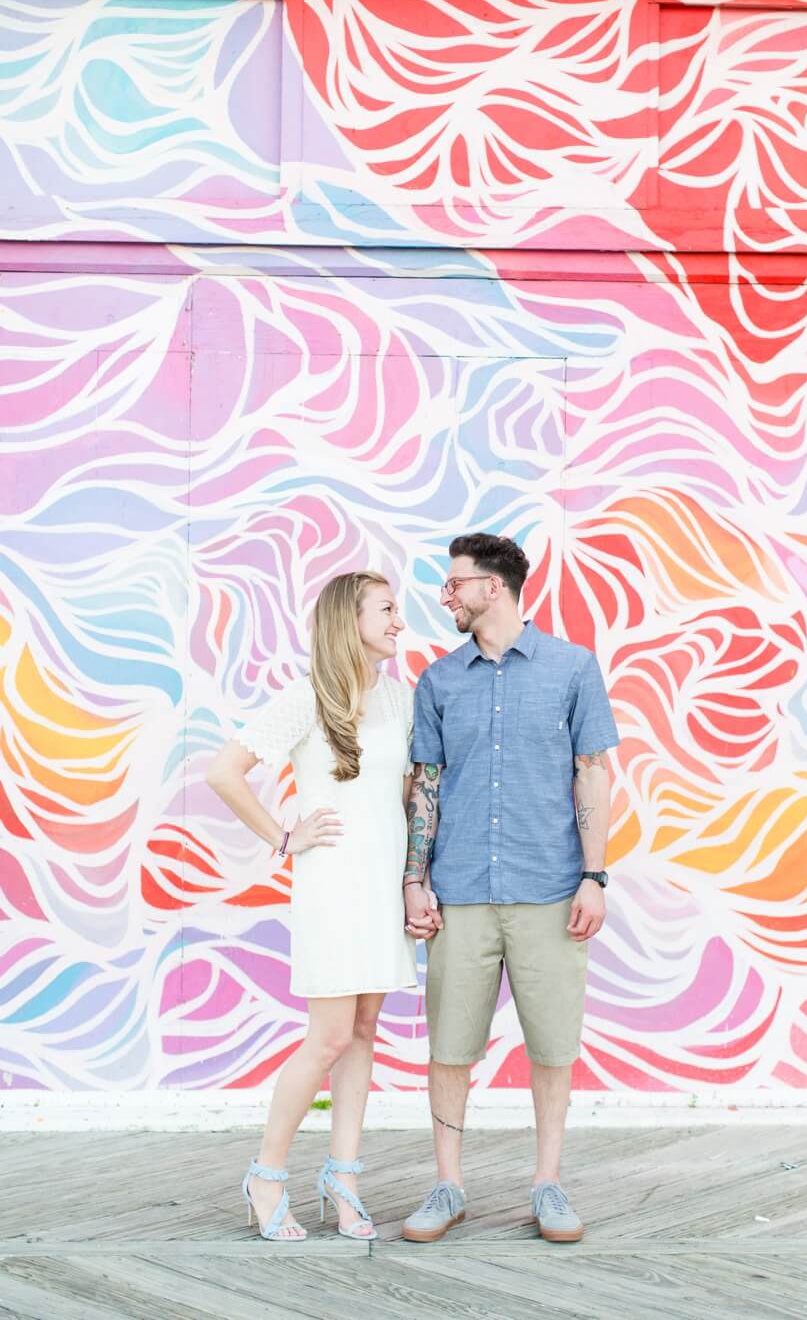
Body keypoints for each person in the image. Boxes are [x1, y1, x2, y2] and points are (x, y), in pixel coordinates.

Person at [398, 533, 618, 1246]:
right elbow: (424, 788)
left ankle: (547, 1183)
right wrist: (414, 881)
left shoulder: (572, 668)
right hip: (459, 894)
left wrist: (594, 875)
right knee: (449, 1047)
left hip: (550, 892)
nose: (446, 595)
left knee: (553, 1047)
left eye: (455, 583)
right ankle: (447, 1184)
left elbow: (592, 772)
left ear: (494, 587)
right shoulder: (439, 681)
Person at [205, 570, 417, 1242]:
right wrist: (284, 838)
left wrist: (419, 881)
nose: (398, 621)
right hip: (332, 885)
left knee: (361, 1035)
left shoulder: (400, 699)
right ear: (346, 619)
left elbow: (409, 796)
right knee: (326, 1037)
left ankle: (343, 1178)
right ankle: (266, 1177)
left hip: (383, 884)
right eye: (386, 609)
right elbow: (222, 772)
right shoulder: (306, 699)